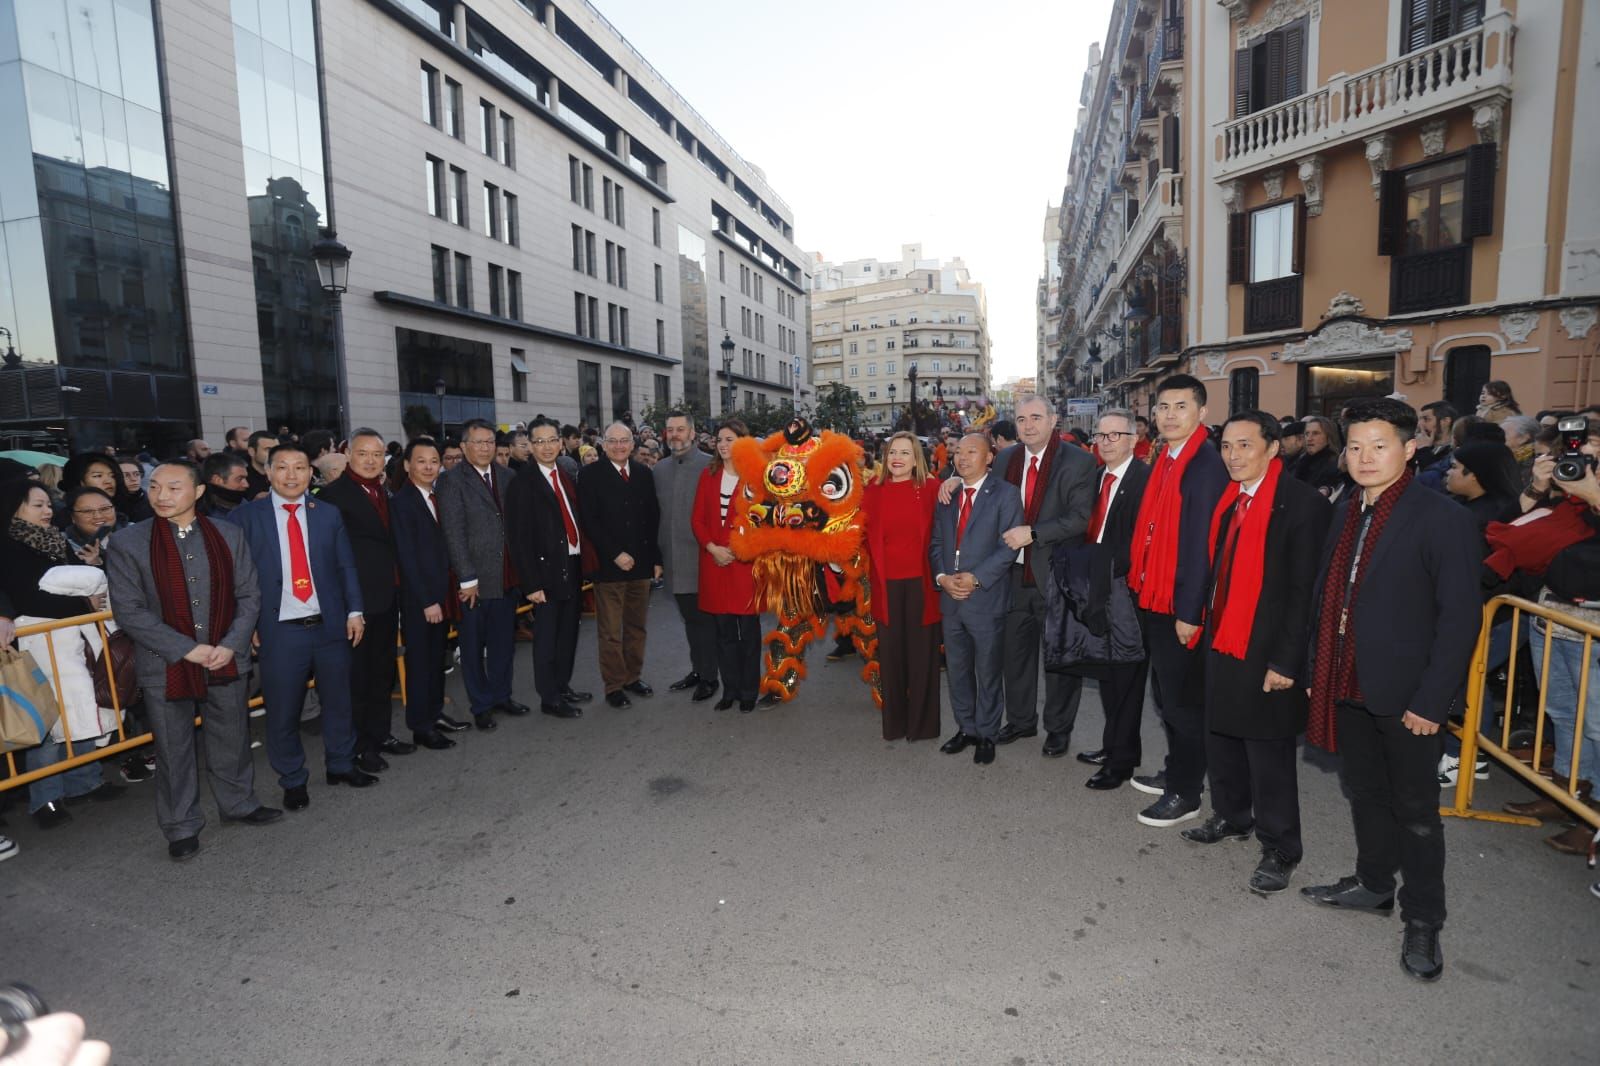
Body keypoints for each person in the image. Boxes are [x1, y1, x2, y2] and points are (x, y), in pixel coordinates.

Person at [1300, 398, 1482, 982]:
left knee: (1418, 813)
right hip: (1348, 677)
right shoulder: (1347, 508)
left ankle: (1424, 919)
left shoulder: (1441, 517)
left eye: (1379, 446)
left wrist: (1432, 701)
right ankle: (1374, 884)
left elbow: (1460, 619)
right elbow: (1328, 595)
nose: (1363, 457)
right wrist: (1314, 669)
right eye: (1354, 446)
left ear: (1410, 449)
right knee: (1364, 791)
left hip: (1408, 694)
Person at [1180, 413, 1330, 895]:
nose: (1233, 455)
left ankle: (1281, 846)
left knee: (1268, 751)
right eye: (1226, 446)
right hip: (1223, 637)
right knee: (1220, 734)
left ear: (1272, 449)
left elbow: (1304, 591)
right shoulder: (1230, 500)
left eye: (1245, 445)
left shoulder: (1302, 505)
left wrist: (1287, 662)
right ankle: (1231, 815)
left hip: (1267, 648)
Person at [105, 462, 280, 860]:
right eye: (154, 487)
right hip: (163, 662)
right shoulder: (129, 542)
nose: (161, 495)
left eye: (173, 487)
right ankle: (181, 825)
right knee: (173, 747)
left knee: (231, 735)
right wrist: (186, 649)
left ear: (198, 491)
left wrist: (231, 644)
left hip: (225, 657)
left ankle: (239, 803)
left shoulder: (227, 534)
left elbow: (249, 595)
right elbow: (129, 611)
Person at [227, 442, 377, 811]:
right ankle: (293, 779)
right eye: (283, 468)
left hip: (329, 626)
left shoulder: (327, 513)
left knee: (339, 701)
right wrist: (244, 623)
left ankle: (341, 764)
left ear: (312, 474)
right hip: (280, 629)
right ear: (268, 472)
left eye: (300, 468)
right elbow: (234, 576)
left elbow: (346, 566)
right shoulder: (245, 519)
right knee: (283, 710)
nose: (292, 475)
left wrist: (354, 610)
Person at [1126, 374, 1230, 829]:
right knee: (1167, 698)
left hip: (1179, 606)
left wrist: (1191, 612)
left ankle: (1186, 792)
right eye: (1163, 407)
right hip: (1155, 595)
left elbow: (1201, 546)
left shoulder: (1203, 465)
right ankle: (1178, 770)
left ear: (1202, 413)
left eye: (1180, 407)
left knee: (1183, 704)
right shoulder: (1164, 459)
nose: (1169, 415)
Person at [975, 395, 1098, 756]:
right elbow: (986, 497)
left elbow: (1079, 518)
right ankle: (1021, 721)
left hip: (1057, 576)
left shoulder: (1078, 461)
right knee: (1015, 655)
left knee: (1059, 657)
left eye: (1036, 417)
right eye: (1022, 419)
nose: (1028, 425)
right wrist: (952, 483)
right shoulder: (1007, 460)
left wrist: (1034, 532)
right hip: (1011, 577)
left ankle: (1058, 729)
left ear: (1053, 419)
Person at [0, 480, 123, 829]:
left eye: (48, 504)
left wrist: (83, 602)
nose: (47, 511)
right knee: (48, 718)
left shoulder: (55, 540)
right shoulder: (9, 545)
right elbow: (29, 598)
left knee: (84, 707)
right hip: (37, 643)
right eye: (37, 505)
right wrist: (83, 603)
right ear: (15, 508)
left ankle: (86, 781)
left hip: (71, 640)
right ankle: (46, 799)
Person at [317, 429, 414, 772]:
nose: (371, 460)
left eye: (377, 454)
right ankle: (359, 745)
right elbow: (328, 557)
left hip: (387, 596)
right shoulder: (332, 497)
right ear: (348, 457)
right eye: (363, 454)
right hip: (355, 602)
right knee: (356, 677)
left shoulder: (384, 491)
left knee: (382, 671)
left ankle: (381, 733)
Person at [1070, 410, 1154, 789]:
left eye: (1114, 436)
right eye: (1100, 436)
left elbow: (1138, 544)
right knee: (1107, 674)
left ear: (1133, 440)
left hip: (1126, 591)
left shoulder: (1145, 481)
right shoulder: (1096, 477)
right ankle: (1114, 746)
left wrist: (1098, 569)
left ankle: (1120, 764)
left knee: (1126, 680)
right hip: (1097, 588)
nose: (1105, 442)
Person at [931, 433, 1024, 766]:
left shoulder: (1006, 495)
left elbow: (1008, 547)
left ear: (989, 457)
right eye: (958, 452)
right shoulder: (947, 494)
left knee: (987, 670)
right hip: (951, 599)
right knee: (957, 670)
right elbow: (936, 544)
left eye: (972, 451)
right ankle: (966, 728)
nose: (962, 457)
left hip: (985, 597)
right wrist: (942, 578)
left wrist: (976, 577)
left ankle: (986, 733)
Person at [436, 418, 524, 730]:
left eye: (490, 442)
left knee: (503, 642)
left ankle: (502, 695)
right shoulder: (451, 481)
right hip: (472, 581)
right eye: (478, 442)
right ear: (464, 447)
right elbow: (453, 533)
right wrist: (466, 578)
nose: (485, 447)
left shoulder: (508, 475)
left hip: (505, 576)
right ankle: (481, 704)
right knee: (473, 647)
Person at [505, 418, 592, 720]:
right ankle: (550, 697)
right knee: (546, 637)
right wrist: (531, 583)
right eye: (539, 441)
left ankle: (562, 685)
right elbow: (518, 538)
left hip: (571, 564)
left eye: (551, 440)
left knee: (568, 632)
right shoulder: (522, 483)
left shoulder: (565, 475)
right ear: (529, 446)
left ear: (560, 442)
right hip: (543, 572)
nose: (546, 446)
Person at [863, 431, 941, 739]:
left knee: (923, 657)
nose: (897, 458)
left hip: (923, 584)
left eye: (905, 453)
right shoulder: (872, 491)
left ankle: (922, 726)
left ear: (916, 458)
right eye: (893, 452)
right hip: (886, 585)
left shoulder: (933, 488)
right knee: (891, 658)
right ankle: (894, 724)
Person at [580, 422, 662, 708]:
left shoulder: (642, 473)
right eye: (612, 441)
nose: (618, 446)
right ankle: (614, 685)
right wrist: (615, 553)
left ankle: (632, 677)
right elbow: (589, 521)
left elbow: (653, 518)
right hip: (609, 567)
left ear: (632, 444)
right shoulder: (589, 475)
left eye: (624, 440)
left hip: (641, 566)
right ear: (603, 443)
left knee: (636, 627)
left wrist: (656, 560)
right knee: (611, 632)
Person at [388, 437, 462, 749]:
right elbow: (407, 559)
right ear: (407, 465)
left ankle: (435, 713)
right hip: (422, 599)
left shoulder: (435, 496)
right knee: (420, 664)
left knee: (436, 659)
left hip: (441, 594)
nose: (429, 466)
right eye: (421, 461)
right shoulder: (402, 503)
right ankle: (421, 725)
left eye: (434, 460)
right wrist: (427, 601)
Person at [690, 420, 762, 714]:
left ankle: (748, 691)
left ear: (743, 442)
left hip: (744, 564)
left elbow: (761, 520)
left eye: (729, 439)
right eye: (719, 439)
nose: (722, 444)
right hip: (714, 562)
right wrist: (712, 548)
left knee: (748, 632)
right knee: (723, 633)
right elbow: (697, 519)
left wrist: (736, 548)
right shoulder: (708, 474)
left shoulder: (755, 477)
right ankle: (729, 689)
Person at [653, 411, 718, 702]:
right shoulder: (660, 468)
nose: (675, 434)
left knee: (703, 621)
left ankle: (709, 676)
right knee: (690, 620)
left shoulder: (710, 466)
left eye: (681, 429)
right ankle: (698, 669)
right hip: (672, 559)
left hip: (702, 559)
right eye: (670, 430)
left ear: (693, 433)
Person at [1444, 440, 1521, 532]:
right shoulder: (1462, 504)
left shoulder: (1478, 519)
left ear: (1474, 475)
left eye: (1454, 467)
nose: (1447, 472)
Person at [1291, 416, 1342, 495]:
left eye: (1315, 433)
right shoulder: (1301, 461)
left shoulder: (1336, 464)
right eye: (1307, 434)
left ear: (1328, 437)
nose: (1309, 438)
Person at [1414, 401, 1456, 471]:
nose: (1420, 425)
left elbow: (1433, 475)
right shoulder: (1417, 446)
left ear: (1445, 421)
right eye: (1419, 420)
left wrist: (1424, 449)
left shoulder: (1454, 452)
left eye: (1426, 419)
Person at [115, 456, 151, 523]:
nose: (133, 479)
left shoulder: (151, 500)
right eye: (126, 475)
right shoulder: (109, 503)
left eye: (136, 474)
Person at [244, 431, 277, 499]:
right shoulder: (242, 477)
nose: (274, 454)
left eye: (277, 449)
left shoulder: (285, 474)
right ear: (252, 451)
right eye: (268, 449)